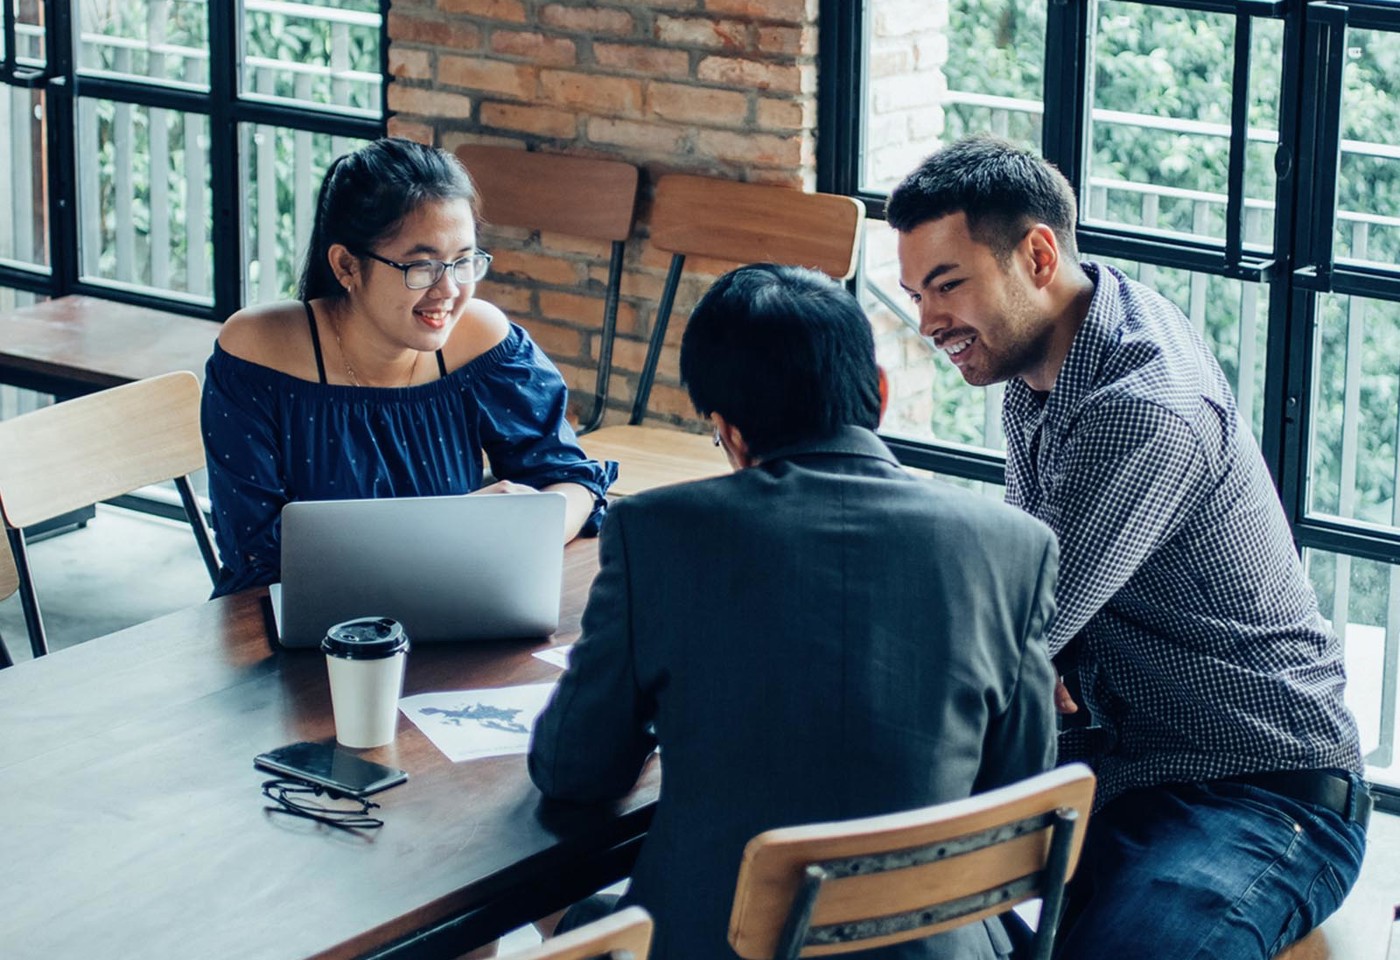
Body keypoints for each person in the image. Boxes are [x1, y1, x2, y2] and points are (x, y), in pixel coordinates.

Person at [887, 135, 1369, 958]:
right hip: (1120, 774)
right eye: (916, 293)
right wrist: (1039, 650)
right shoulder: (1052, 354)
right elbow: (1026, 602)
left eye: (947, 286)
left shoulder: (1140, 407)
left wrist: (1029, 644)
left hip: (1259, 792)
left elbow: (1014, 624)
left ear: (1038, 254)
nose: (929, 321)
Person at [528, 263, 1060, 960]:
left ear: (730, 432)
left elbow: (575, 771)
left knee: (578, 915)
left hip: (715, 947)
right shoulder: (1013, 548)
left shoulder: (656, 534)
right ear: (880, 392)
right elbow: (1014, 800)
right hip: (931, 944)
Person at [201, 138, 614, 597]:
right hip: (305, 629)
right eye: (421, 267)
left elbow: (572, 479)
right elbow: (259, 554)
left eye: (463, 262)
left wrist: (527, 524)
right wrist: (454, 528)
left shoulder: (480, 341)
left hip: (448, 607)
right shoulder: (259, 351)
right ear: (346, 265)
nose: (449, 290)